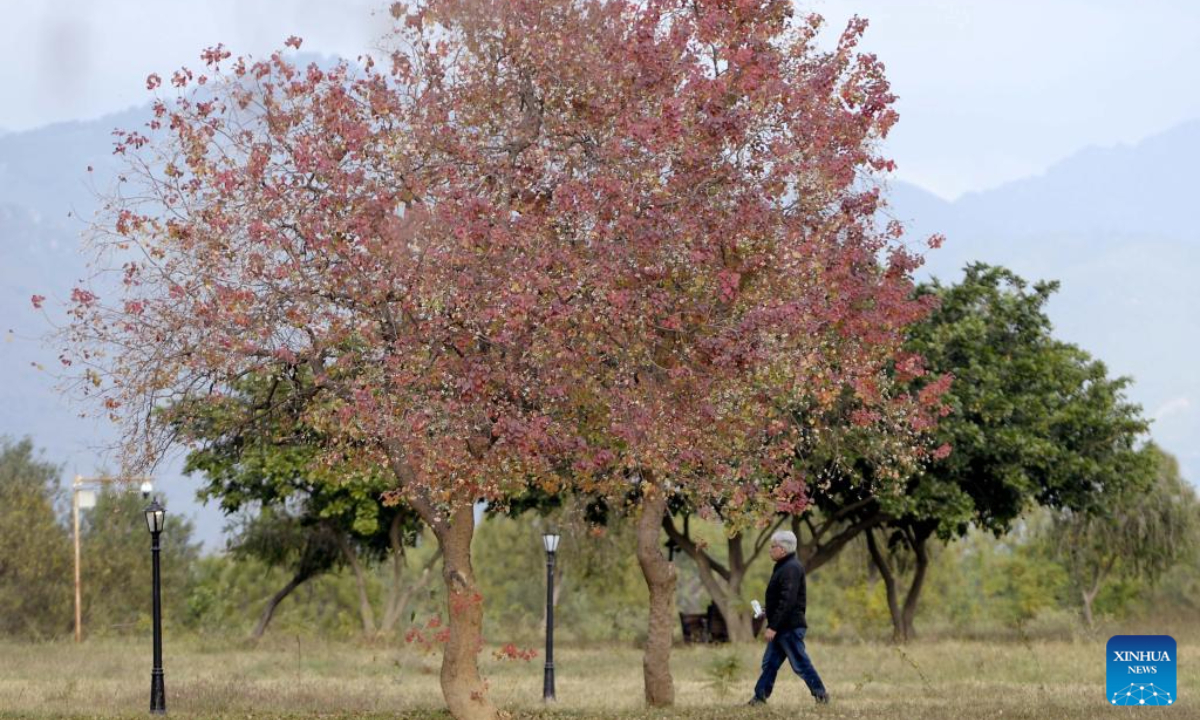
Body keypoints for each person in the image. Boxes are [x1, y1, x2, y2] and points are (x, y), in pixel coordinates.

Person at [748, 530, 829, 706]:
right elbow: (781, 599)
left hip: (789, 627)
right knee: (769, 664)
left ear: (783, 549)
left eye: (773, 547)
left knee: (800, 663)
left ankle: (821, 695)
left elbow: (788, 601)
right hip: (782, 626)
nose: (770, 550)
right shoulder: (783, 566)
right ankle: (759, 698)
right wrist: (766, 610)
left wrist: (773, 627)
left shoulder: (791, 568)